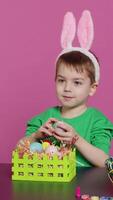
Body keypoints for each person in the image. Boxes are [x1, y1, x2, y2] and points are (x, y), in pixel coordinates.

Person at [17, 11, 113, 167]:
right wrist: (35, 136)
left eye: (77, 82)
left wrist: (76, 139)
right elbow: (19, 151)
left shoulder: (97, 121)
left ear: (92, 88)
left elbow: (104, 162)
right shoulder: (44, 118)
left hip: (84, 188)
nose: (67, 88)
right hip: (49, 186)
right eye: (62, 80)